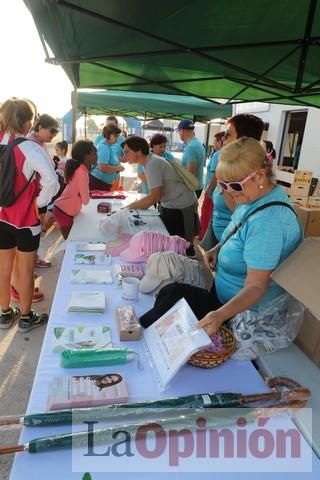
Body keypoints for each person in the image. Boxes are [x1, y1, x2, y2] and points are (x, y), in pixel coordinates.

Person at [142, 138, 303, 357]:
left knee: (171, 302)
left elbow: (256, 287)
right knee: (171, 293)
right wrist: (219, 248)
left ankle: (140, 341)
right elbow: (238, 230)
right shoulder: (253, 197)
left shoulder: (269, 221)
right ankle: (141, 338)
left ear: (259, 176)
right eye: (222, 185)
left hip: (244, 317)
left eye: (234, 186)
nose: (228, 193)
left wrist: (218, 316)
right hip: (225, 300)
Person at [0, 98, 59, 332]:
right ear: (28, 122)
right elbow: (52, 182)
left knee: (3, 268)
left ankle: (4, 313)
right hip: (25, 220)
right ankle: (25, 318)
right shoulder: (31, 148)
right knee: (25, 271)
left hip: (1, 216)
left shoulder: (1, 141)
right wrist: (39, 203)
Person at [122, 136, 199, 249]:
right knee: (171, 241)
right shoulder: (149, 162)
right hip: (171, 204)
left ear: (138, 150)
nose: (124, 157)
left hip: (182, 206)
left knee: (182, 246)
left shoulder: (152, 163)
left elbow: (154, 197)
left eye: (127, 152)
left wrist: (128, 208)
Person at [201, 114, 265, 250]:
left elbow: (241, 213)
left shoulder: (250, 173)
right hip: (219, 235)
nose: (223, 139)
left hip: (233, 242)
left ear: (243, 140)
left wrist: (224, 185)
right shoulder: (221, 157)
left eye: (228, 135)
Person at [27, 114, 60, 269]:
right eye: (52, 131)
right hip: (35, 195)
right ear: (40, 127)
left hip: (40, 194)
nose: (54, 135)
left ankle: (33, 259)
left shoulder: (40, 143)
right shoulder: (30, 144)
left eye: (56, 132)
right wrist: (40, 200)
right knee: (33, 232)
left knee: (37, 231)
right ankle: (29, 263)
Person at [53, 140, 97, 239]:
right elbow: (85, 201)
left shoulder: (79, 169)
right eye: (94, 154)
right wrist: (84, 194)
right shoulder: (82, 172)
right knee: (70, 242)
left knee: (72, 240)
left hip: (64, 210)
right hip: (64, 212)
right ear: (86, 157)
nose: (97, 156)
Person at [199, 131, 225, 239]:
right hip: (220, 191)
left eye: (215, 141)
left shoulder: (217, 154)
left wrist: (209, 190)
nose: (214, 143)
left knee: (207, 215)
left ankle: (204, 236)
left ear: (220, 141)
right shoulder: (222, 154)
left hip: (213, 190)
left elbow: (215, 175)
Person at [89, 125, 125, 191]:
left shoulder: (109, 146)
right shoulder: (104, 147)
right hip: (98, 183)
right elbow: (102, 167)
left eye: (118, 136)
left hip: (103, 183)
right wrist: (118, 168)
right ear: (108, 135)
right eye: (115, 136)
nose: (117, 138)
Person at [178, 119, 205, 198]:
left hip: (191, 190)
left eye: (179, 131)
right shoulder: (198, 144)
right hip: (197, 187)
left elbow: (190, 173)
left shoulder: (191, 147)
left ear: (182, 131)